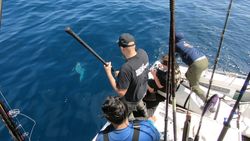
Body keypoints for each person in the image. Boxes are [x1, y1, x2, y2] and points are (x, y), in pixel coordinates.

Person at [104, 33, 149, 120]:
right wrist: (122, 74)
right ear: (134, 45)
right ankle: (145, 113)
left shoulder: (126, 68)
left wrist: (108, 73)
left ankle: (132, 122)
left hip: (131, 99)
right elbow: (138, 68)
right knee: (140, 102)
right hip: (143, 91)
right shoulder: (142, 52)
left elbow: (121, 92)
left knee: (127, 111)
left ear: (122, 48)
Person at [96, 96, 160, 141]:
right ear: (127, 112)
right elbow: (157, 137)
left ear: (108, 119)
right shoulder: (147, 130)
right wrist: (150, 123)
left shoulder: (101, 138)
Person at [175, 33, 208, 102]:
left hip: (197, 64)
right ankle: (192, 81)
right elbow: (181, 52)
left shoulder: (176, 45)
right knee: (187, 75)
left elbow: (172, 55)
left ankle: (207, 100)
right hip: (204, 59)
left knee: (194, 86)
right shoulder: (184, 43)